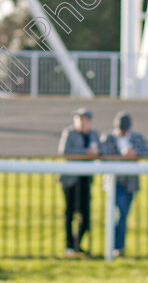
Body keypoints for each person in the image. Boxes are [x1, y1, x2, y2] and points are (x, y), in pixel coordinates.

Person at [100, 112, 148, 257]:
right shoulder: (108, 138)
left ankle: (118, 246)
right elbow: (103, 155)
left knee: (123, 215)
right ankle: (115, 245)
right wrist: (119, 158)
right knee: (120, 212)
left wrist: (135, 153)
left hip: (130, 183)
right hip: (114, 182)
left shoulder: (136, 138)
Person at [58, 107, 100, 256]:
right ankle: (69, 245)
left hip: (85, 179)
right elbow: (65, 151)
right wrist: (85, 152)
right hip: (71, 179)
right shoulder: (69, 133)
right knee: (70, 212)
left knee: (85, 215)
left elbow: (98, 150)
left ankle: (77, 244)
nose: (81, 122)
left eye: (83, 119)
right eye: (78, 118)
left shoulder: (94, 134)